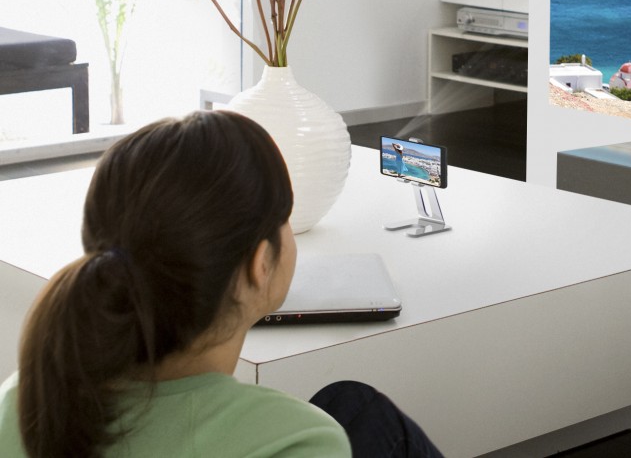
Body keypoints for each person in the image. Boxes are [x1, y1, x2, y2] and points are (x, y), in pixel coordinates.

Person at [0, 110, 442, 457]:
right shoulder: (299, 442)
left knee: (351, 403)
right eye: (284, 220)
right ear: (259, 264)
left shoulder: (23, 401)